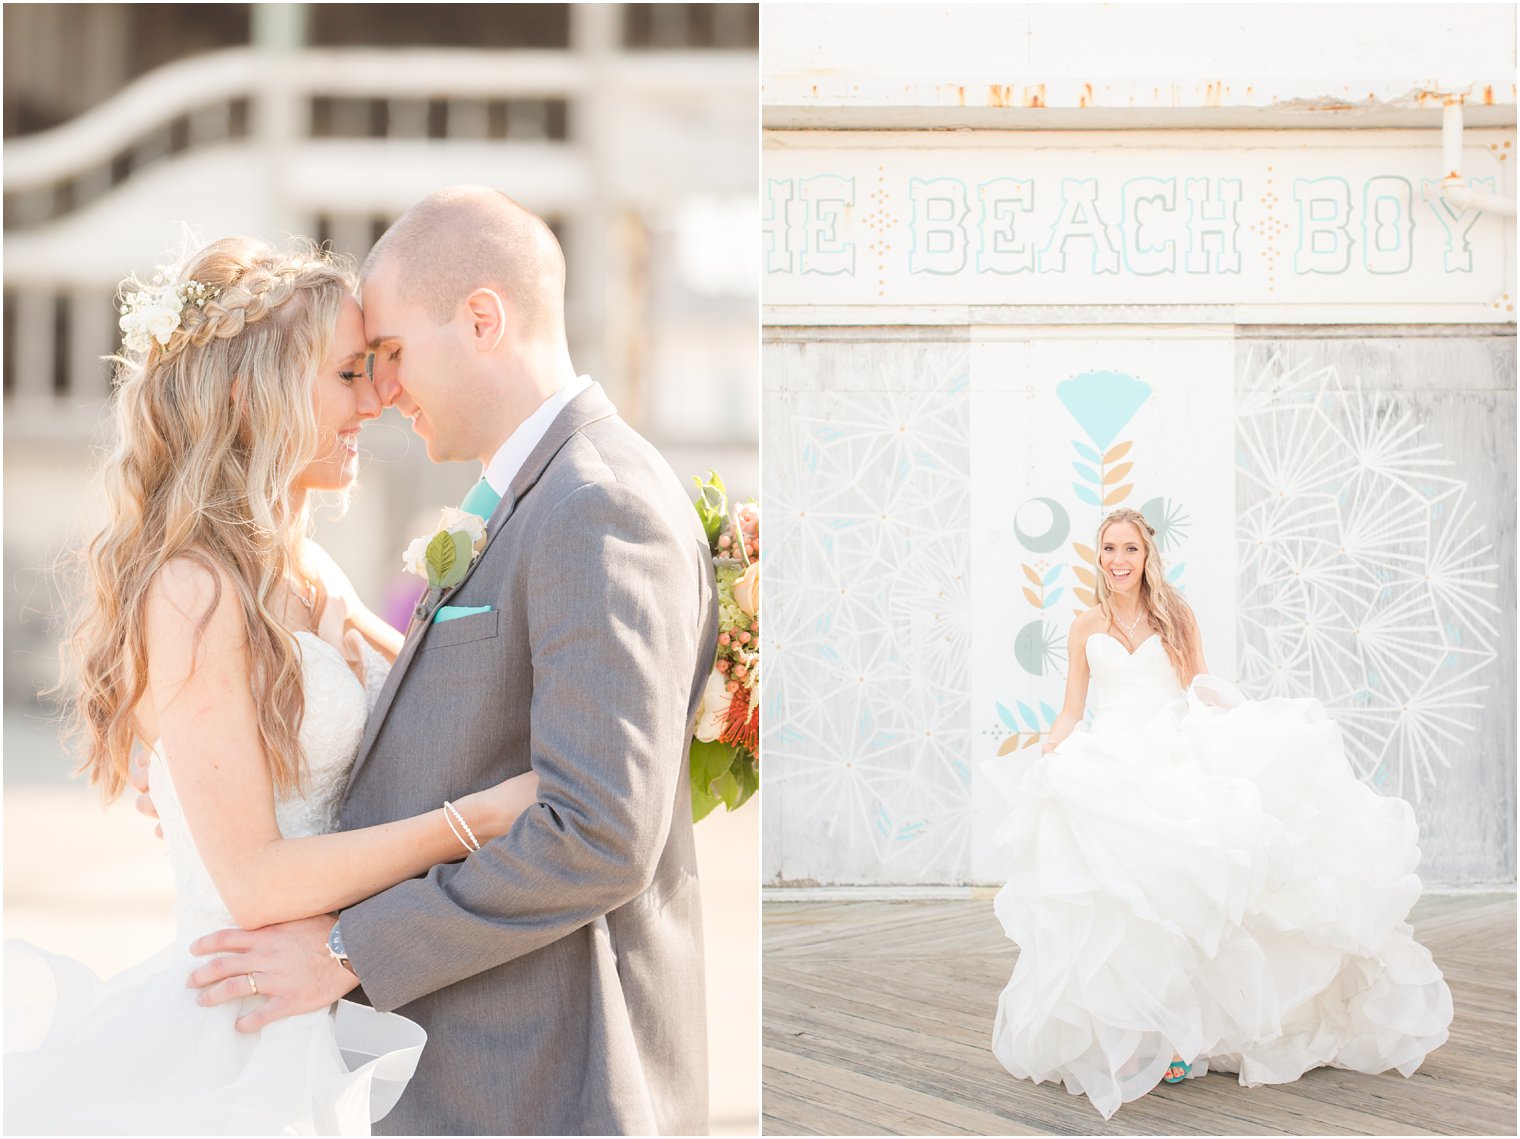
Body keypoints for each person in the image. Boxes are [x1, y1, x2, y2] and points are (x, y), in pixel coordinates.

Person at [176, 187, 719, 1135]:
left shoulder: (596, 504)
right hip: (456, 1075)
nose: (382, 392)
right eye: (361, 366)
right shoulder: (533, 498)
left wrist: (347, 948)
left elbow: (596, 832)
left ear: (481, 320)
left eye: (388, 354)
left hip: (548, 1077)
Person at [5, 236, 541, 1134]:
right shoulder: (192, 588)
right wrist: (474, 821)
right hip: (246, 1029)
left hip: (335, 990)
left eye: (376, 368)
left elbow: (446, 685)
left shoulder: (304, 569)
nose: (377, 397)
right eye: (348, 374)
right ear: (252, 393)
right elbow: (254, 878)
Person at [984, 507, 1453, 1120]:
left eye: (1129, 549)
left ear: (1147, 557)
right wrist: (1053, 744)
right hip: (1113, 761)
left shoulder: (1174, 616)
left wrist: (1240, 728)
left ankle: (1185, 1035)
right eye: (1108, 549)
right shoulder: (1083, 626)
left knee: (1187, 892)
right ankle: (1139, 1035)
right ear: (1097, 557)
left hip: (1172, 754)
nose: (1118, 560)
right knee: (1124, 898)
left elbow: (1196, 682)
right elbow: (1073, 707)